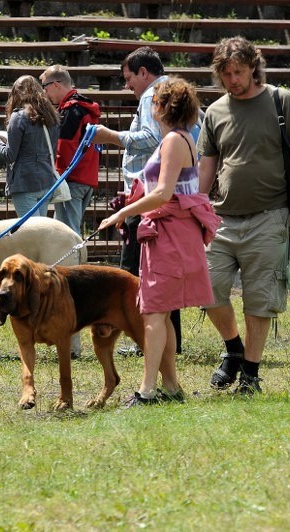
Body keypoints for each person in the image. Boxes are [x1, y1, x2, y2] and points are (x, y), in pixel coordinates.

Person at [197, 36, 290, 394]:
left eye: (238, 71)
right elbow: (208, 163)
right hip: (222, 218)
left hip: (270, 215)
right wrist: (198, 205)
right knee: (207, 289)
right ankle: (234, 350)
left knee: (259, 298)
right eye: (226, 73)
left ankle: (250, 373)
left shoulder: (282, 101)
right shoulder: (216, 111)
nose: (232, 79)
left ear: (253, 67)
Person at [98, 78, 220, 407]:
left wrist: (122, 212)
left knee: (152, 315)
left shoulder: (173, 142)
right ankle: (171, 386)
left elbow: (164, 193)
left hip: (171, 235)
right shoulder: (176, 139)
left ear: (161, 107)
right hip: (168, 234)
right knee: (160, 315)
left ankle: (147, 391)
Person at [92, 46, 183, 356]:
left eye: (129, 78)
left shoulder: (150, 96)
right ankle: (172, 340)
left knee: (132, 270)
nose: (127, 85)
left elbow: (151, 137)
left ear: (144, 73)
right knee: (162, 271)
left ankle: (134, 333)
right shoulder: (175, 91)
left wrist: (110, 136)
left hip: (146, 192)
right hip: (169, 191)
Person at [39, 65, 101, 236]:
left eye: (45, 87)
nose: (45, 93)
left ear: (56, 84)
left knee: (67, 234)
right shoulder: (85, 107)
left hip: (71, 180)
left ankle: (73, 263)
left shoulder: (70, 110)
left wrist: (55, 174)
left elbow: (64, 149)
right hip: (87, 177)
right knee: (65, 231)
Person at [0, 75, 61, 218]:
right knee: (40, 232)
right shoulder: (51, 115)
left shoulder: (19, 116)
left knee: (31, 234)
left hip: (25, 182)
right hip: (45, 181)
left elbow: (10, 155)